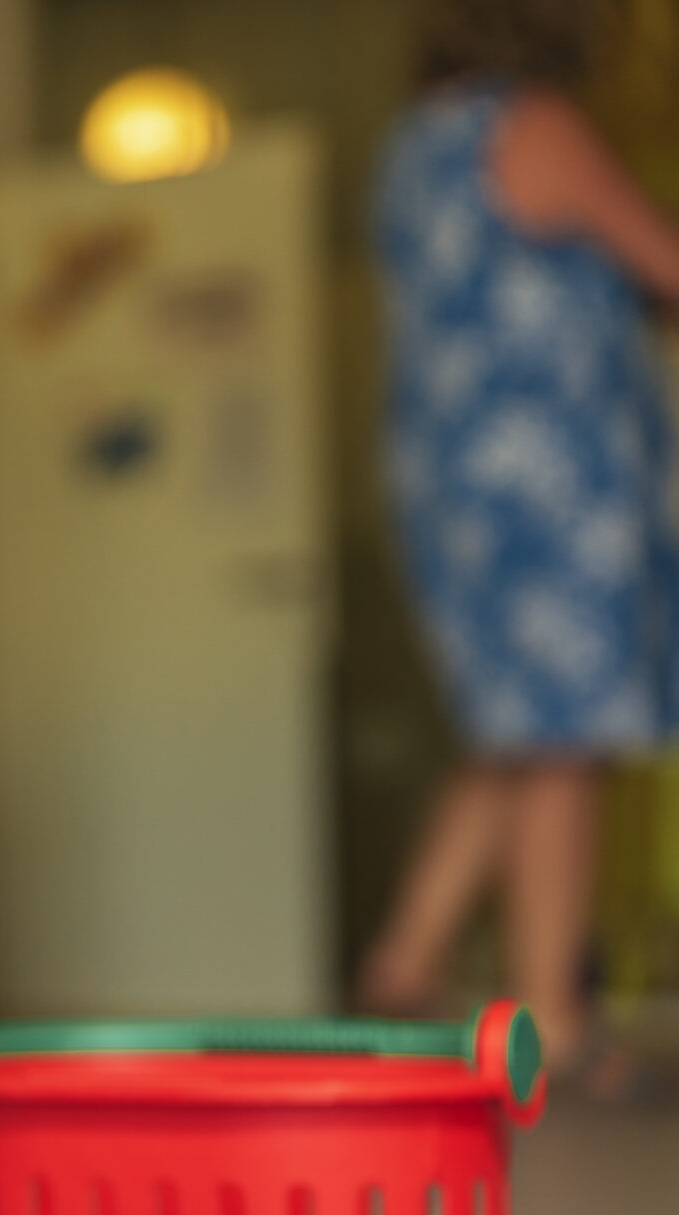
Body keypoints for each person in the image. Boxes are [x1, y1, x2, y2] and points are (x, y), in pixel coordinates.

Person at [361, 0, 679, 1076]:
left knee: (514, 725)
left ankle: (409, 958)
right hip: (541, 474)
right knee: (562, 733)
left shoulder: (414, 147)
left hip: (450, 472)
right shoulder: (530, 124)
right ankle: (554, 1016)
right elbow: (664, 263)